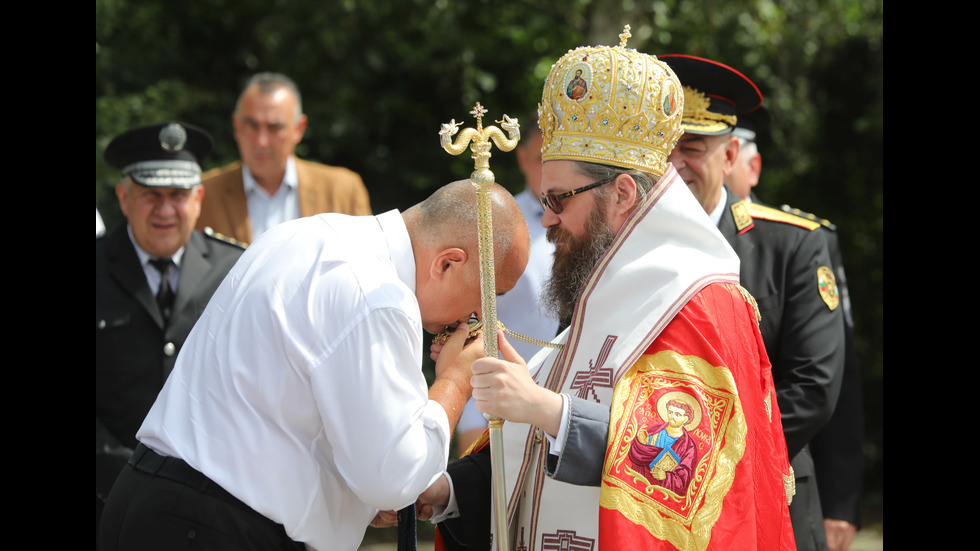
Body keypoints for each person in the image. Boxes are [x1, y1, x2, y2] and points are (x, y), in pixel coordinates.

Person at [421, 28, 796, 551]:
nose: (547, 219)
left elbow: (684, 471)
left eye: (559, 199)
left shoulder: (700, 300)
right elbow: (533, 468)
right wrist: (442, 491)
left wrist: (545, 408)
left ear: (622, 193)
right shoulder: (600, 288)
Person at [98, 179, 530, 551]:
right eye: (488, 298)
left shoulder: (307, 234)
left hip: (154, 502)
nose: (479, 319)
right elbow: (390, 478)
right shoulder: (377, 294)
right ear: (448, 262)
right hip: (210, 528)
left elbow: (304, 424)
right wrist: (453, 382)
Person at [660, 53, 846, 551]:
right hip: (656, 497)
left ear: (728, 156)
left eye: (694, 148)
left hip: (768, 497)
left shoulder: (792, 245)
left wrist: (704, 454)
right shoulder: (623, 249)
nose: (676, 165)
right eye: (666, 148)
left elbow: (814, 385)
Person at [727, 108, 864, 551]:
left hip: (777, 479)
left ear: (735, 159)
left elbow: (829, 383)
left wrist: (841, 500)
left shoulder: (798, 241)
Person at [96, 121, 245, 528]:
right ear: (123, 196)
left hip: (212, 507)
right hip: (105, 501)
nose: (165, 210)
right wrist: (124, 477)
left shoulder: (237, 270)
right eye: (150, 195)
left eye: (178, 195)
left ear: (198, 197)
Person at [454, 115, 559, 452]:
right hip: (503, 405)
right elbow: (471, 321)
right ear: (523, 158)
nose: (552, 170)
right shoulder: (496, 223)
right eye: (544, 158)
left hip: (573, 400)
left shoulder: (593, 226)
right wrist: (471, 414)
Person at [196, 72, 371, 244]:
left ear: (299, 129)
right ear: (237, 126)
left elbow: (370, 263)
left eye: (275, 127)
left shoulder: (343, 191)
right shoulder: (203, 194)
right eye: (252, 125)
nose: (261, 141)